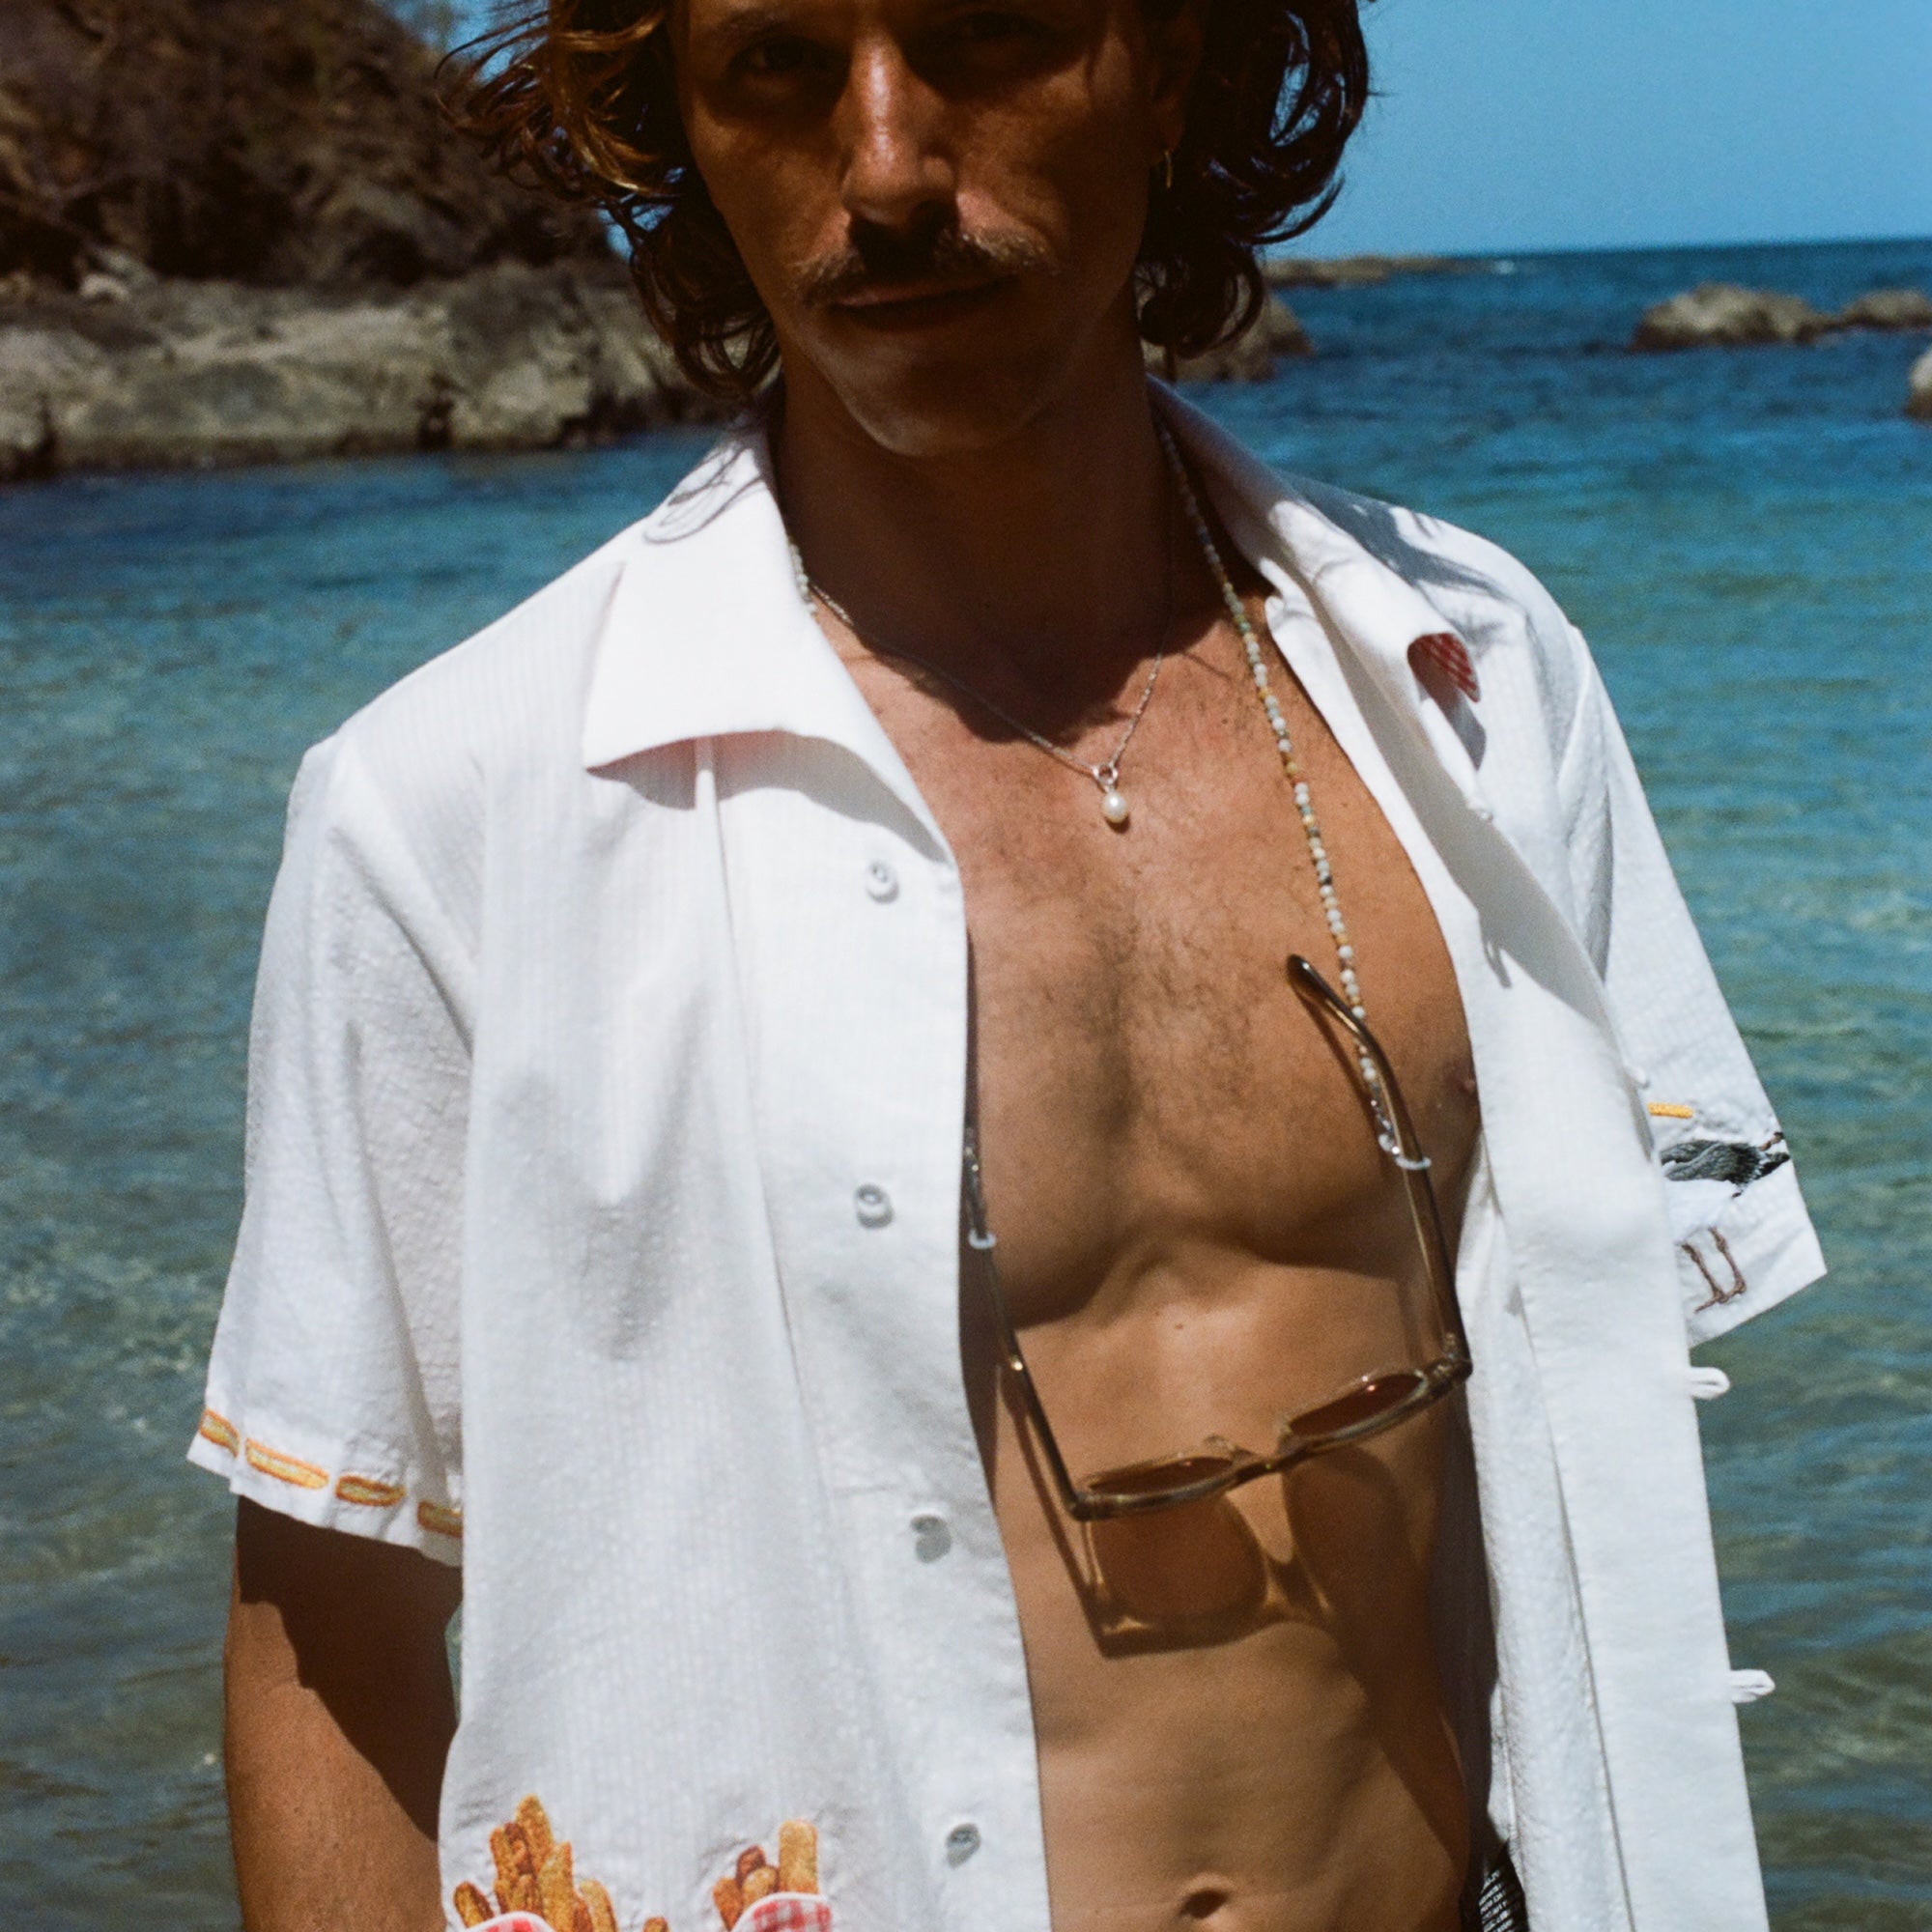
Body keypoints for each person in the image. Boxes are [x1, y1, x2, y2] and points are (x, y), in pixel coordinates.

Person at [190, 0, 1824, 1926]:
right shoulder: (454, 812)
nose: (885, 166)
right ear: (681, 127)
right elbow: (332, 1639)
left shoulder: (1471, 682)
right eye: (778, 65)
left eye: (984, 34)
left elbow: (1598, 1420)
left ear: (1176, 62)